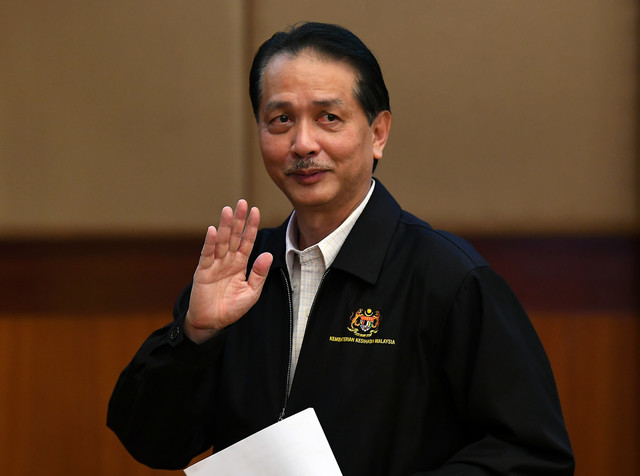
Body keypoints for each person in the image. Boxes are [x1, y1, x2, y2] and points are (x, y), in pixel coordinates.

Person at [107, 22, 574, 475]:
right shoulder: (242, 270)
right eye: (281, 120)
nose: (302, 143)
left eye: (328, 118)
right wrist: (193, 337)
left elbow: (533, 456)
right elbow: (153, 443)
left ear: (378, 133)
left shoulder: (447, 278)